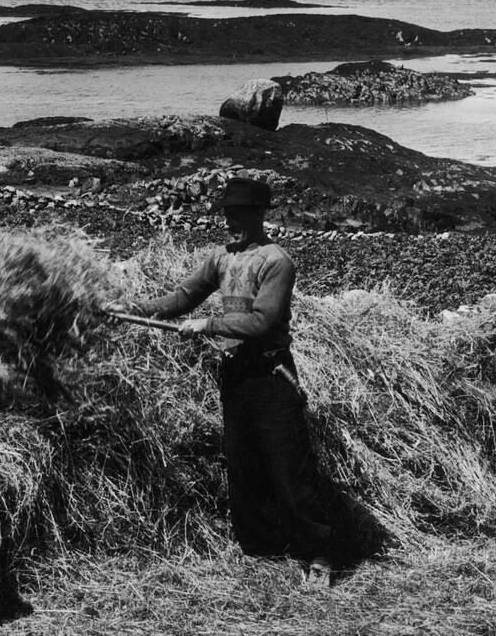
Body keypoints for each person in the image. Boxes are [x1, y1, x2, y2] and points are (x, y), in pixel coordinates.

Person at [123, 174, 337, 584]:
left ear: (259, 215)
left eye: (240, 213)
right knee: (243, 464)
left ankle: (320, 554)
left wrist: (208, 324)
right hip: (236, 373)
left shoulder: (277, 261)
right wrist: (137, 307)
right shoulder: (220, 257)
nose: (231, 221)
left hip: (271, 374)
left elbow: (262, 320)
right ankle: (260, 546)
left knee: (289, 467)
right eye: (227, 214)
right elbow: (183, 297)